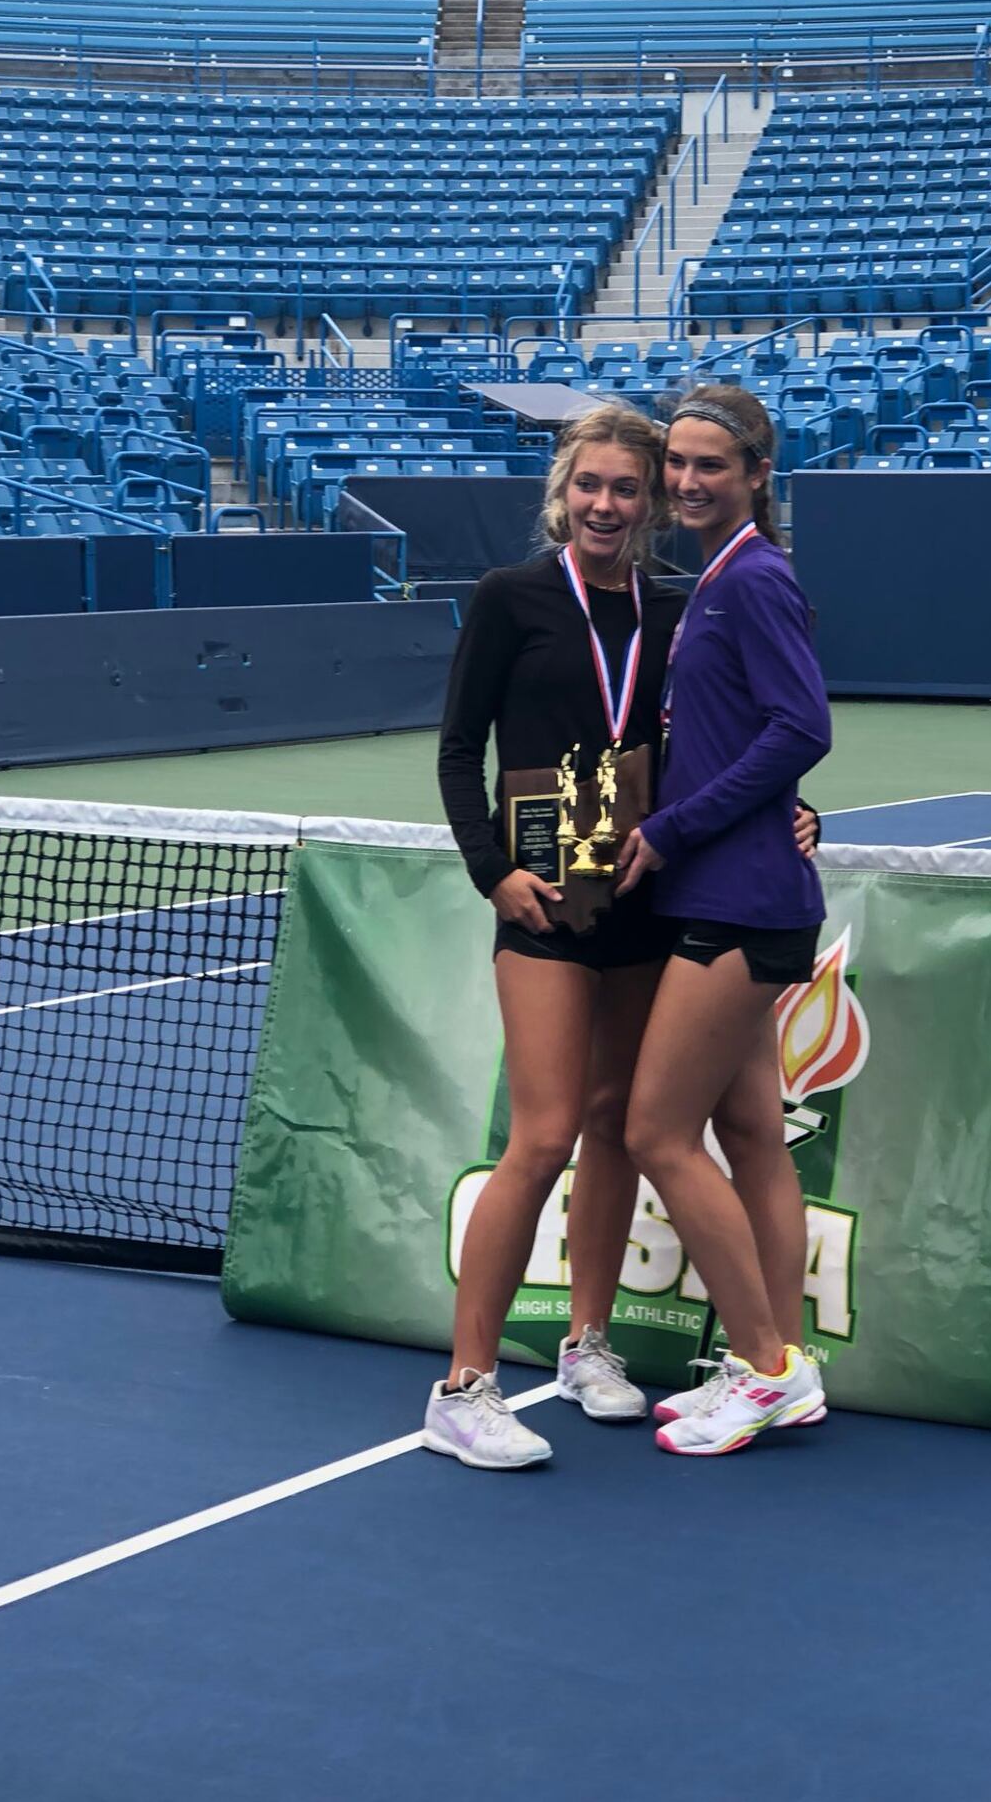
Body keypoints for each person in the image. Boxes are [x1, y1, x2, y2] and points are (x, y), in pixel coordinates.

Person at [427, 403, 683, 1469]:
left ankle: (586, 1345)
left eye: (626, 489)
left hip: (639, 904)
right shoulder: (510, 599)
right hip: (540, 910)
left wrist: (791, 811)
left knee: (617, 1125)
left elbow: (716, 747)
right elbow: (456, 752)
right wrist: (494, 875)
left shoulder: (677, 613)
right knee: (538, 1138)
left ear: (652, 502)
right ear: (561, 493)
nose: (606, 506)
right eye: (590, 486)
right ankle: (464, 1387)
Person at [616, 383, 834, 1457]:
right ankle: (779, 1361)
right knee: (748, 1132)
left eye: (712, 464)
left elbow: (802, 726)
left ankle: (765, 1367)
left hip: (736, 903)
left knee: (655, 1130)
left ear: (756, 474)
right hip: (729, 888)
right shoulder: (707, 581)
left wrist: (669, 830)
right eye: (679, 464)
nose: (688, 481)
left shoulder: (753, 578)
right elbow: (739, 734)